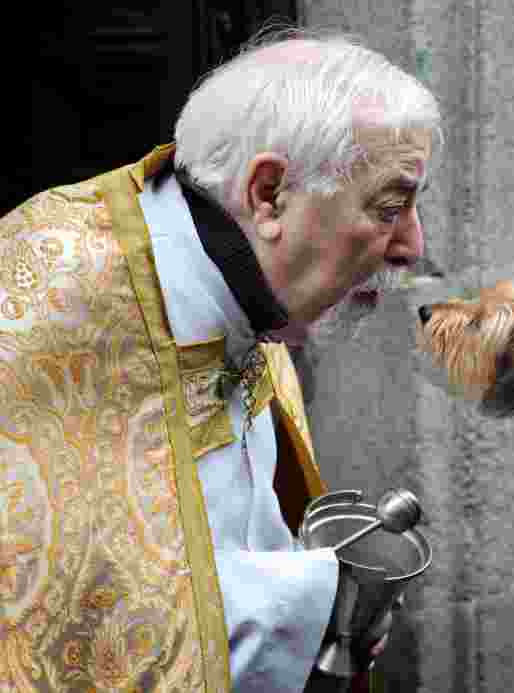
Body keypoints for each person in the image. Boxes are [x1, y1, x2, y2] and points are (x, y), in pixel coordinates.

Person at [0, 28, 439, 692]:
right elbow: (66, 617)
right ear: (267, 194)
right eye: (389, 207)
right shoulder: (50, 295)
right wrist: (311, 605)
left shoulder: (252, 291)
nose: (412, 246)